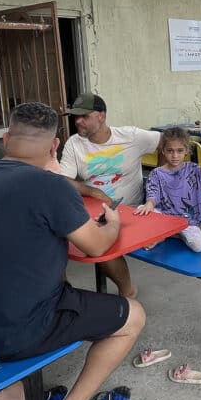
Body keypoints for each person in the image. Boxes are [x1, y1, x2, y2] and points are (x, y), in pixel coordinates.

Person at [0, 102, 142, 400]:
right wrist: (113, 222)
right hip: (18, 330)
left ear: (6, 139)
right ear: (54, 146)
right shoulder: (51, 186)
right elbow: (95, 245)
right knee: (133, 315)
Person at [58, 92, 160, 299]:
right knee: (50, 235)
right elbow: (62, 180)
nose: (77, 121)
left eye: (84, 116)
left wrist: (159, 177)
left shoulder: (131, 136)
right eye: (75, 116)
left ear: (102, 116)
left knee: (99, 246)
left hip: (132, 211)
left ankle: (127, 292)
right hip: (96, 213)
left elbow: (170, 142)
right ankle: (59, 296)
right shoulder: (74, 144)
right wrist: (91, 191)